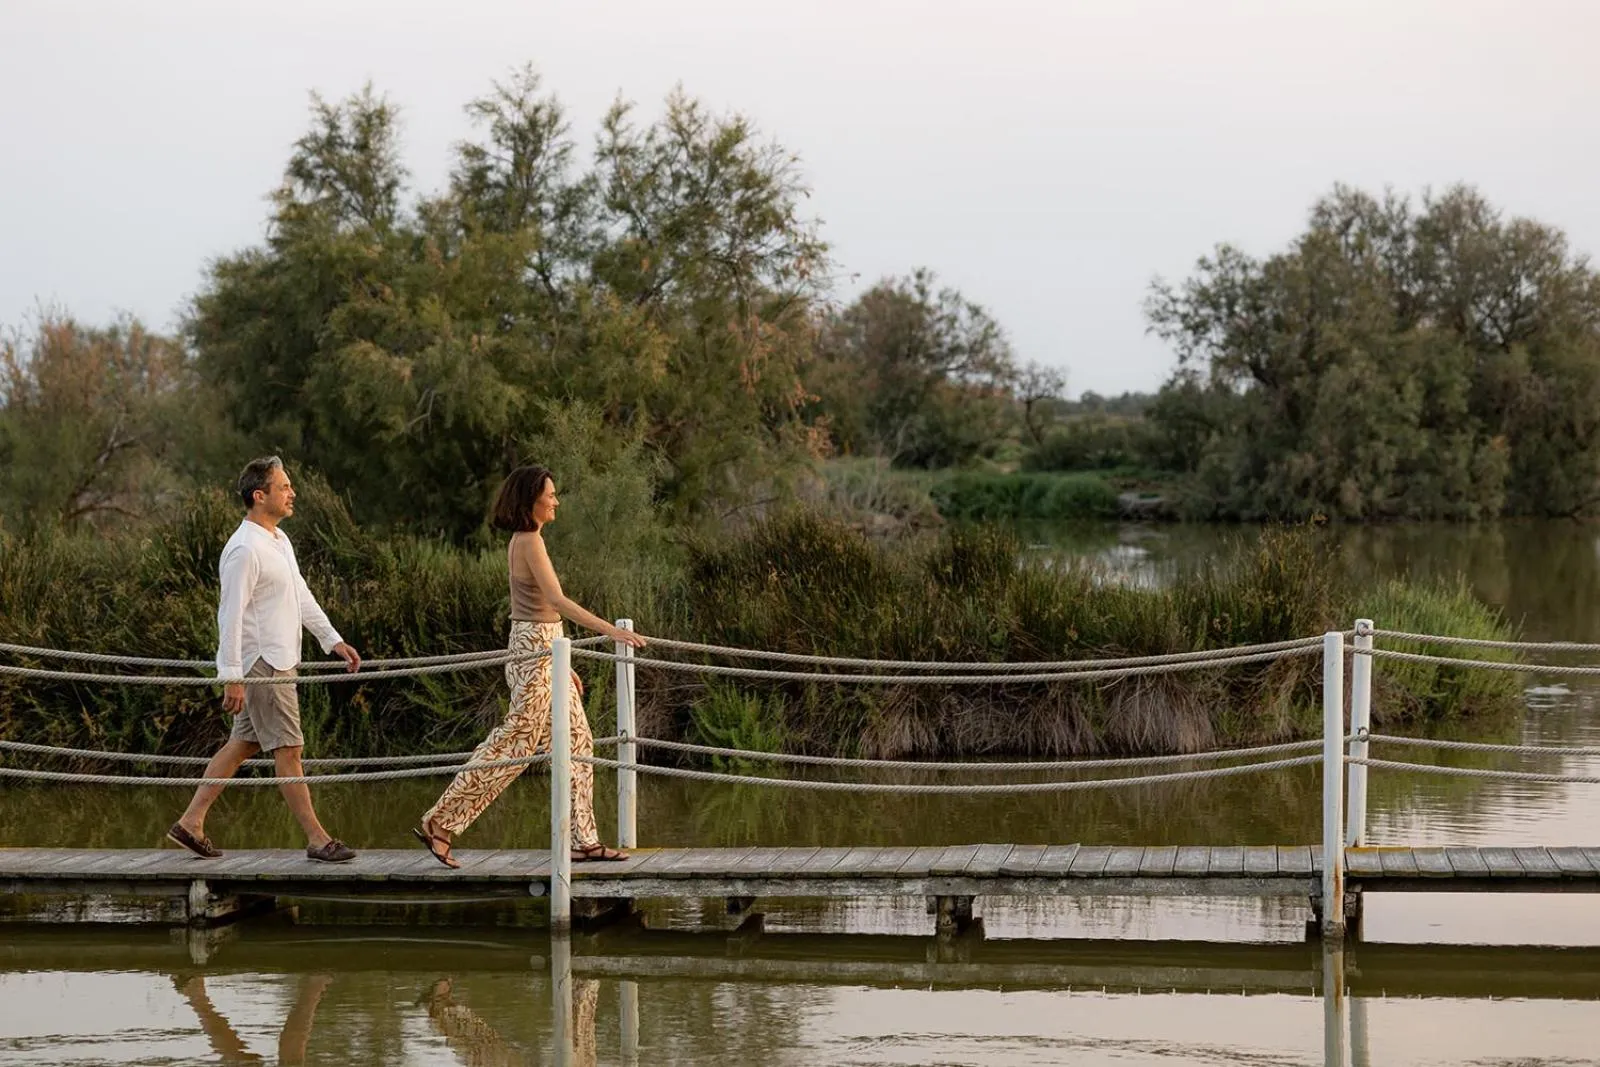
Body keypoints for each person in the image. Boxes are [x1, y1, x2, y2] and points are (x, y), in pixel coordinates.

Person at [413, 464, 646, 868]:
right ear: (530, 500)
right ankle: (440, 822)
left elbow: (542, 613)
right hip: (533, 650)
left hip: (545, 649)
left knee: (578, 740)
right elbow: (556, 601)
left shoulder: (528, 539)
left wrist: (561, 661)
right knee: (515, 744)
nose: (556, 501)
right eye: (550, 495)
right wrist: (612, 631)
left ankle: (584, 841)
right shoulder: (528, 541)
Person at [166, 456, 362, 863]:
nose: (292, 493)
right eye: (284, 487)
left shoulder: (278, 540)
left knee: (243, 743)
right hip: (264, 664)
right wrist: (232, 676)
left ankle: (190, 822)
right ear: (260, 495)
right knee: (289, 750)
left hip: (278, 661)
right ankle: (318, 839)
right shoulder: (244, 549)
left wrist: (332, 640)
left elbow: (301, 594)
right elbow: (230, 615)